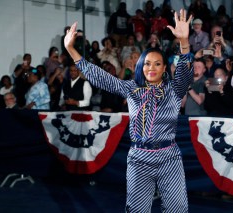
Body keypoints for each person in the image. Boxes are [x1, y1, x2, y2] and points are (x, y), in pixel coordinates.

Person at [64, 9, 193, 212]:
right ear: (141, 66)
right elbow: (101, 77)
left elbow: (185, 74)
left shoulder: (174, 90)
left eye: (157, 64)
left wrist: (184, 43)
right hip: (139, 158)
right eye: (147, 63)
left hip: (169, 157)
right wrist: (71, 49)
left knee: (177, 209)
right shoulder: (132, 89)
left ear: (164, 69)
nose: (152, 67)